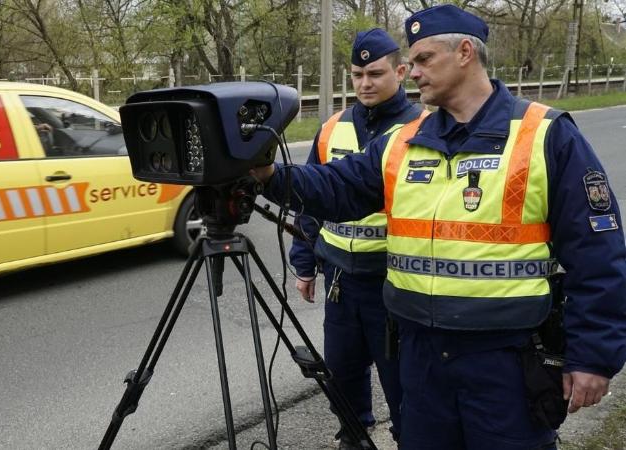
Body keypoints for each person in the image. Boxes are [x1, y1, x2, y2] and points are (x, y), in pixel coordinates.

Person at [253, 5, 626, 449]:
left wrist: (593, 357)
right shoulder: (404, 140)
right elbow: (337, 187)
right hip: (419, 357)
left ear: (465, 52)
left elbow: (597, 255)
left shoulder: (545, 134)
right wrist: (267, 176)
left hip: (504, 361)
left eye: (425, 59)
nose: (412, 72)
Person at [288, 28, 423, 448]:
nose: (365, 83)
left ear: (401, 72)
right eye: (357, 74)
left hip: (395, 281)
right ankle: (353, 435)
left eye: (375, 73)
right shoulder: (332, 128)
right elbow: (311, 197)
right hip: (341, 281)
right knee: (342, 373)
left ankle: (408, 438)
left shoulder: (422, 128)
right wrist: (305, 264)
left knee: (402, 379)